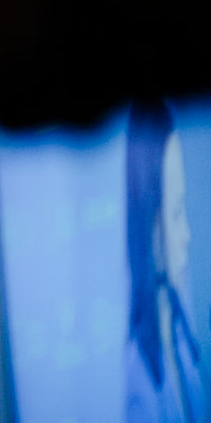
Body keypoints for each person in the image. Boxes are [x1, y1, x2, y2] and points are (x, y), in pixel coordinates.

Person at [125, 98, 208, 422]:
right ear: (151, 226)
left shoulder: (180, 330)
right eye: (176, 213)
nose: (187, 235)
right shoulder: (140, 380)